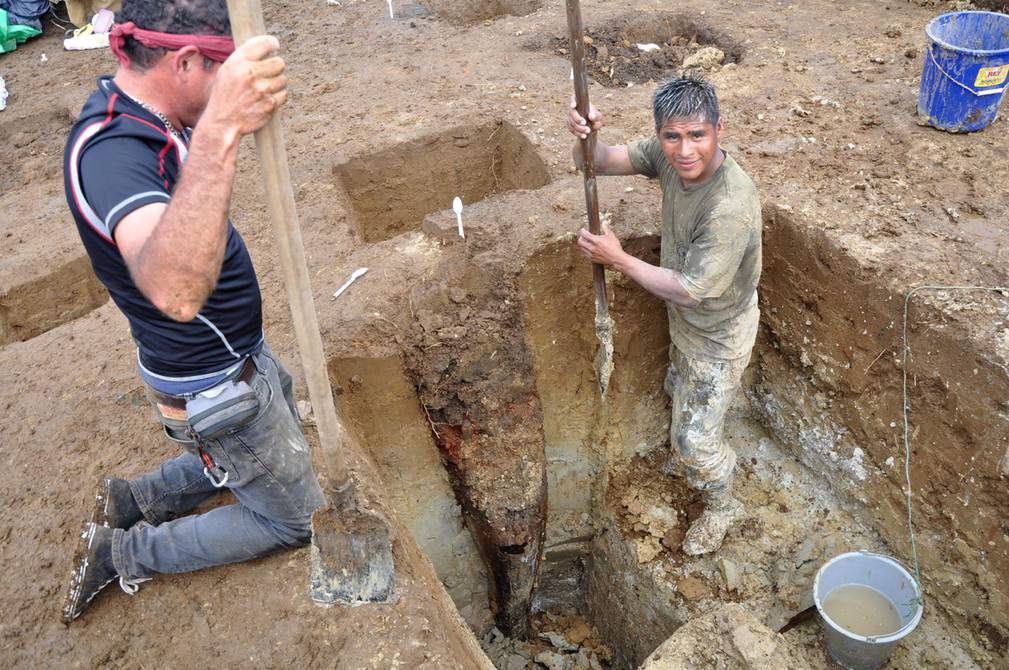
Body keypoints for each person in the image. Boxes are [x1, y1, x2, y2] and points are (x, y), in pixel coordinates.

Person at [61, 0, 325, 622]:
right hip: (211, 379)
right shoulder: (112, 155)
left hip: (237, 354)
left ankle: (135, 498)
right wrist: (221, 128)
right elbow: (176, 292)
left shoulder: (152, 114)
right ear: (183, 62)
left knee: (267, 429)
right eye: (222, 72)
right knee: (293, 518)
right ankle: (125, 552)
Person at [567, 75, 761, 556]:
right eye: (672, 137)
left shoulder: (728, 208)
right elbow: (600, 162)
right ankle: (690, 447)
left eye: (698, 135)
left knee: (696, 440)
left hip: (717, 336)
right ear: (660, 135)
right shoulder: (671, 159)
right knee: (681, 393)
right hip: (689, 327)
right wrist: (584, 137)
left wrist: (617, 259)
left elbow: (690, 292)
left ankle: (722, 502)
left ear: (718, 127)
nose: (685, 150)